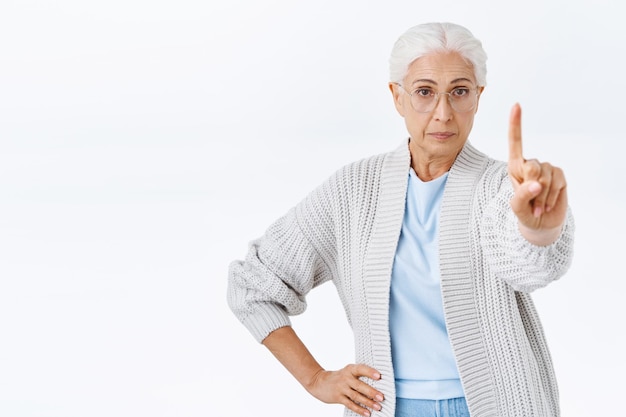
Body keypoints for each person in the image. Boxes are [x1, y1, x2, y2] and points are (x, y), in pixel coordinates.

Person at [227, 22, 574, 417]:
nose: (443, 114)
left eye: (459, 92)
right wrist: (315, 378)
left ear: (478, 98)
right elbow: (251, 285)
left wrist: (538, 230)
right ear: (397, 97)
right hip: (387, 407)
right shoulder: (353, 190)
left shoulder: (503, 187)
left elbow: (530, 266)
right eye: (425, 92)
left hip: (499, 406)